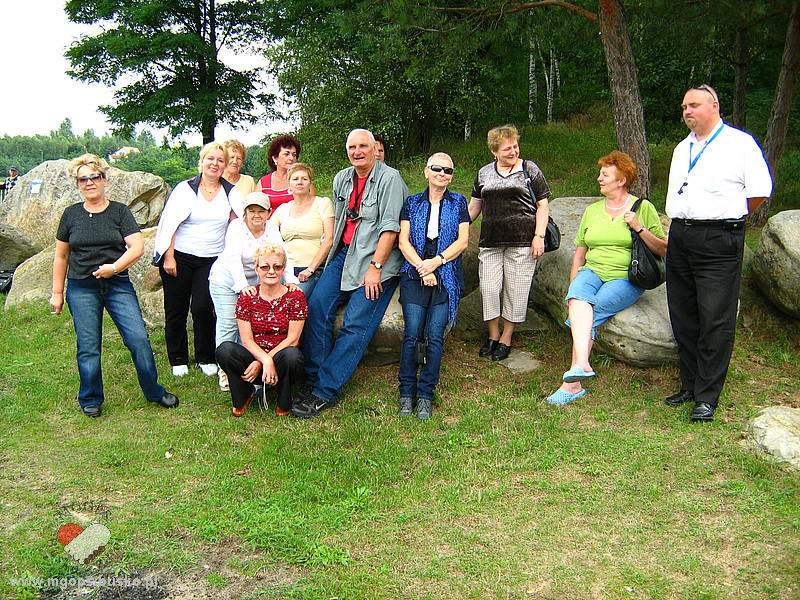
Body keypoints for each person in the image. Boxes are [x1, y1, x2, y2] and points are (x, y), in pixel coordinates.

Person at [664, 84, 772, 422]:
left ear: (714, 105)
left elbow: (759, 192)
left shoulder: (739, 143)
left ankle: (707, 396)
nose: (687, 112)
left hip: (719, 237)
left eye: (694, 105)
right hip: (681, 235)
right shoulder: (683, 148)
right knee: (683, 313)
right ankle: (690, 384)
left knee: (715, 317)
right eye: (684, 107)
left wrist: (729, 215)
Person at [50, 154, 178, 418]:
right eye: (82, 179)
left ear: (104, 180)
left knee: (138, 339)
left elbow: (137, 247)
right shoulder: (71, 215)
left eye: (94, 177)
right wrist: (57, 293)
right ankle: (91, 397)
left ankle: (153, 391)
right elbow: (61, 256)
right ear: (78, 184)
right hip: (81, 287)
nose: (89, 183)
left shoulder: (120, 211)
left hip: (117, 284)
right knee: (88, 346)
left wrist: (114, 268)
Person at [292, 128, 408, 418]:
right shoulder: (342, 178)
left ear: (374, 149)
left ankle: (325, 391)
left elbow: (391, 227)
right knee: (315, 309)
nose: (357, 152)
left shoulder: (390, 179)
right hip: (345, 255)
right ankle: (313, 378)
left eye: (363, 146)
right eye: (352, 147)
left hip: (377, 260)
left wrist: (375, 269)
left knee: (355, 323)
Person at [546, 151, 666, 406]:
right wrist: (573, 285)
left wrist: (638, 228)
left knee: (593, 310)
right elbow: (580, 253)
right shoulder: (592, 211)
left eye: (605, 174)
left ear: (621, 180)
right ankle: (580, 366)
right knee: (578, 300)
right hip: (592, 271)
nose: (599, 178)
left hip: (627, 277)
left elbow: (663, 248)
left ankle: (572, 383)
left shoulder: (642, 208)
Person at [153, 141, 244, 378]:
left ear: (225, 165)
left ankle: (205, 356)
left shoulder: (230, 192)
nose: (215, 164)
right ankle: (178, 358)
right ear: (202, 162)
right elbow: (169, 224)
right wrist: (169, 256)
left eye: (220, 160)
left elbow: (238, 223)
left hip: (211, 260)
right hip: (180, 257)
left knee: (203, 307)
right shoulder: (185, 189)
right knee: (176, 308)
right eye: (210, 159)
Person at [468, 124, 552, 361]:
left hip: (523, 241)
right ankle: (493, 335)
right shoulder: (484, 173)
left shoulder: (529, 169)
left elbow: (542, 205)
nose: (513, 151)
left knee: (516, 290)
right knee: (489, 289)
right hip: (490, 241)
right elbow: (474, 207)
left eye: (515, 146)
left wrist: (539, 236)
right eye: (507, 148)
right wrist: (457, 226)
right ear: (494, 151)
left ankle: (506, 337)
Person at [397, 153, 470, 420]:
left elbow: (462, 242)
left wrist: (436, 263)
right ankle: (407, 392)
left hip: (447, 272)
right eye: (437, 169)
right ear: (426, 171)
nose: (442, 174)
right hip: (414, 270)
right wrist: (423, 268)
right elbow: (404, 242)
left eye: (448, 171)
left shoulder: (459, 202)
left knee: (435, 336)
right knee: (412, 333)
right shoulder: (412, 202)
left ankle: (426, 394)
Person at [208, 192, 299, 391]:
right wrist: (242, 287)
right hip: (227, 280)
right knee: (229, 324)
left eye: (261, 211)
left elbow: (283, 255)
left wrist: (290, 280)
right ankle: (224, 371)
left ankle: (249, 372)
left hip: (254, 280)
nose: (256, 215)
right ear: (245, 213)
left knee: (248, 329)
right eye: (251, 211)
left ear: (268, 213)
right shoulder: (236, 228)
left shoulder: (272, 229)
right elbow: (233, 258)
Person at [216, 243, 306, 417]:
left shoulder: (295, 296)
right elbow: (246, 340)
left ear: (283, 269)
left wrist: (266, 361)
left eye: (277, 266)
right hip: (254, 358)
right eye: (265, 267)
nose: (271, 271)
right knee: (224, 350)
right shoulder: (247, 297)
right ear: (256, 269)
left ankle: (284, 399)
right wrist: (263, 360)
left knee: (291, 355)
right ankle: (244, 393)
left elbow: (293, 339)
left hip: (282, 360)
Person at [271, 163, 334, 298]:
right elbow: (268, 234)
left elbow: (330, 239)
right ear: (289, 184)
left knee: (293, 301)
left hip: (311, 270)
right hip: (285, 270)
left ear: (310, 183)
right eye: (295, 179)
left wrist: (310, 269)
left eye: (304, 179)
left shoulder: (323, 203)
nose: (299, 182)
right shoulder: (283, 209)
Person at [256, 134, 301, 215]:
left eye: (294, 155)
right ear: (275, 158)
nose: (291, 158)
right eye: (286, 154)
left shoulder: (302, 180)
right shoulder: (263, 183)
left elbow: (311, 208)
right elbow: (255, 210)